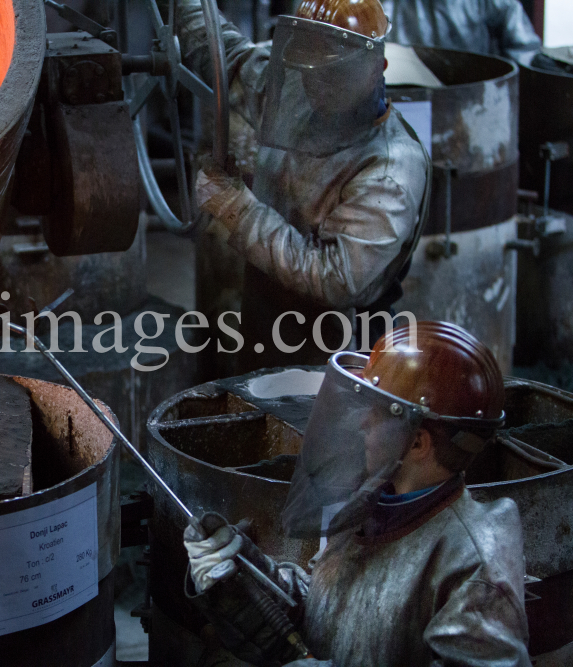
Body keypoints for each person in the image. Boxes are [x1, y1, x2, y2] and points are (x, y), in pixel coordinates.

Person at [184, 321, 531, 666]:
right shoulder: (372, 507)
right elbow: (324, 614)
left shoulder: (474, 566)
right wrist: (243, 574)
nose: (362, 422)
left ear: (417, 442)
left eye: (377, 413)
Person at [179, 0, 430, 374]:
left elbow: (335, 278)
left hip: (343, 360)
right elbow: (224, 56)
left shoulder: (392, 166)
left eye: (332, 73)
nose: (317, 87)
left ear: (378, 67)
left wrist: (236, 207)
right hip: (270, 330)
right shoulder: (299, 103)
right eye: (310, 71)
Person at [381, 0, 541, 67]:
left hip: (475, 95)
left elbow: (524, 48)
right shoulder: (385, 5)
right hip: (406, 98)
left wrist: (499, 88)